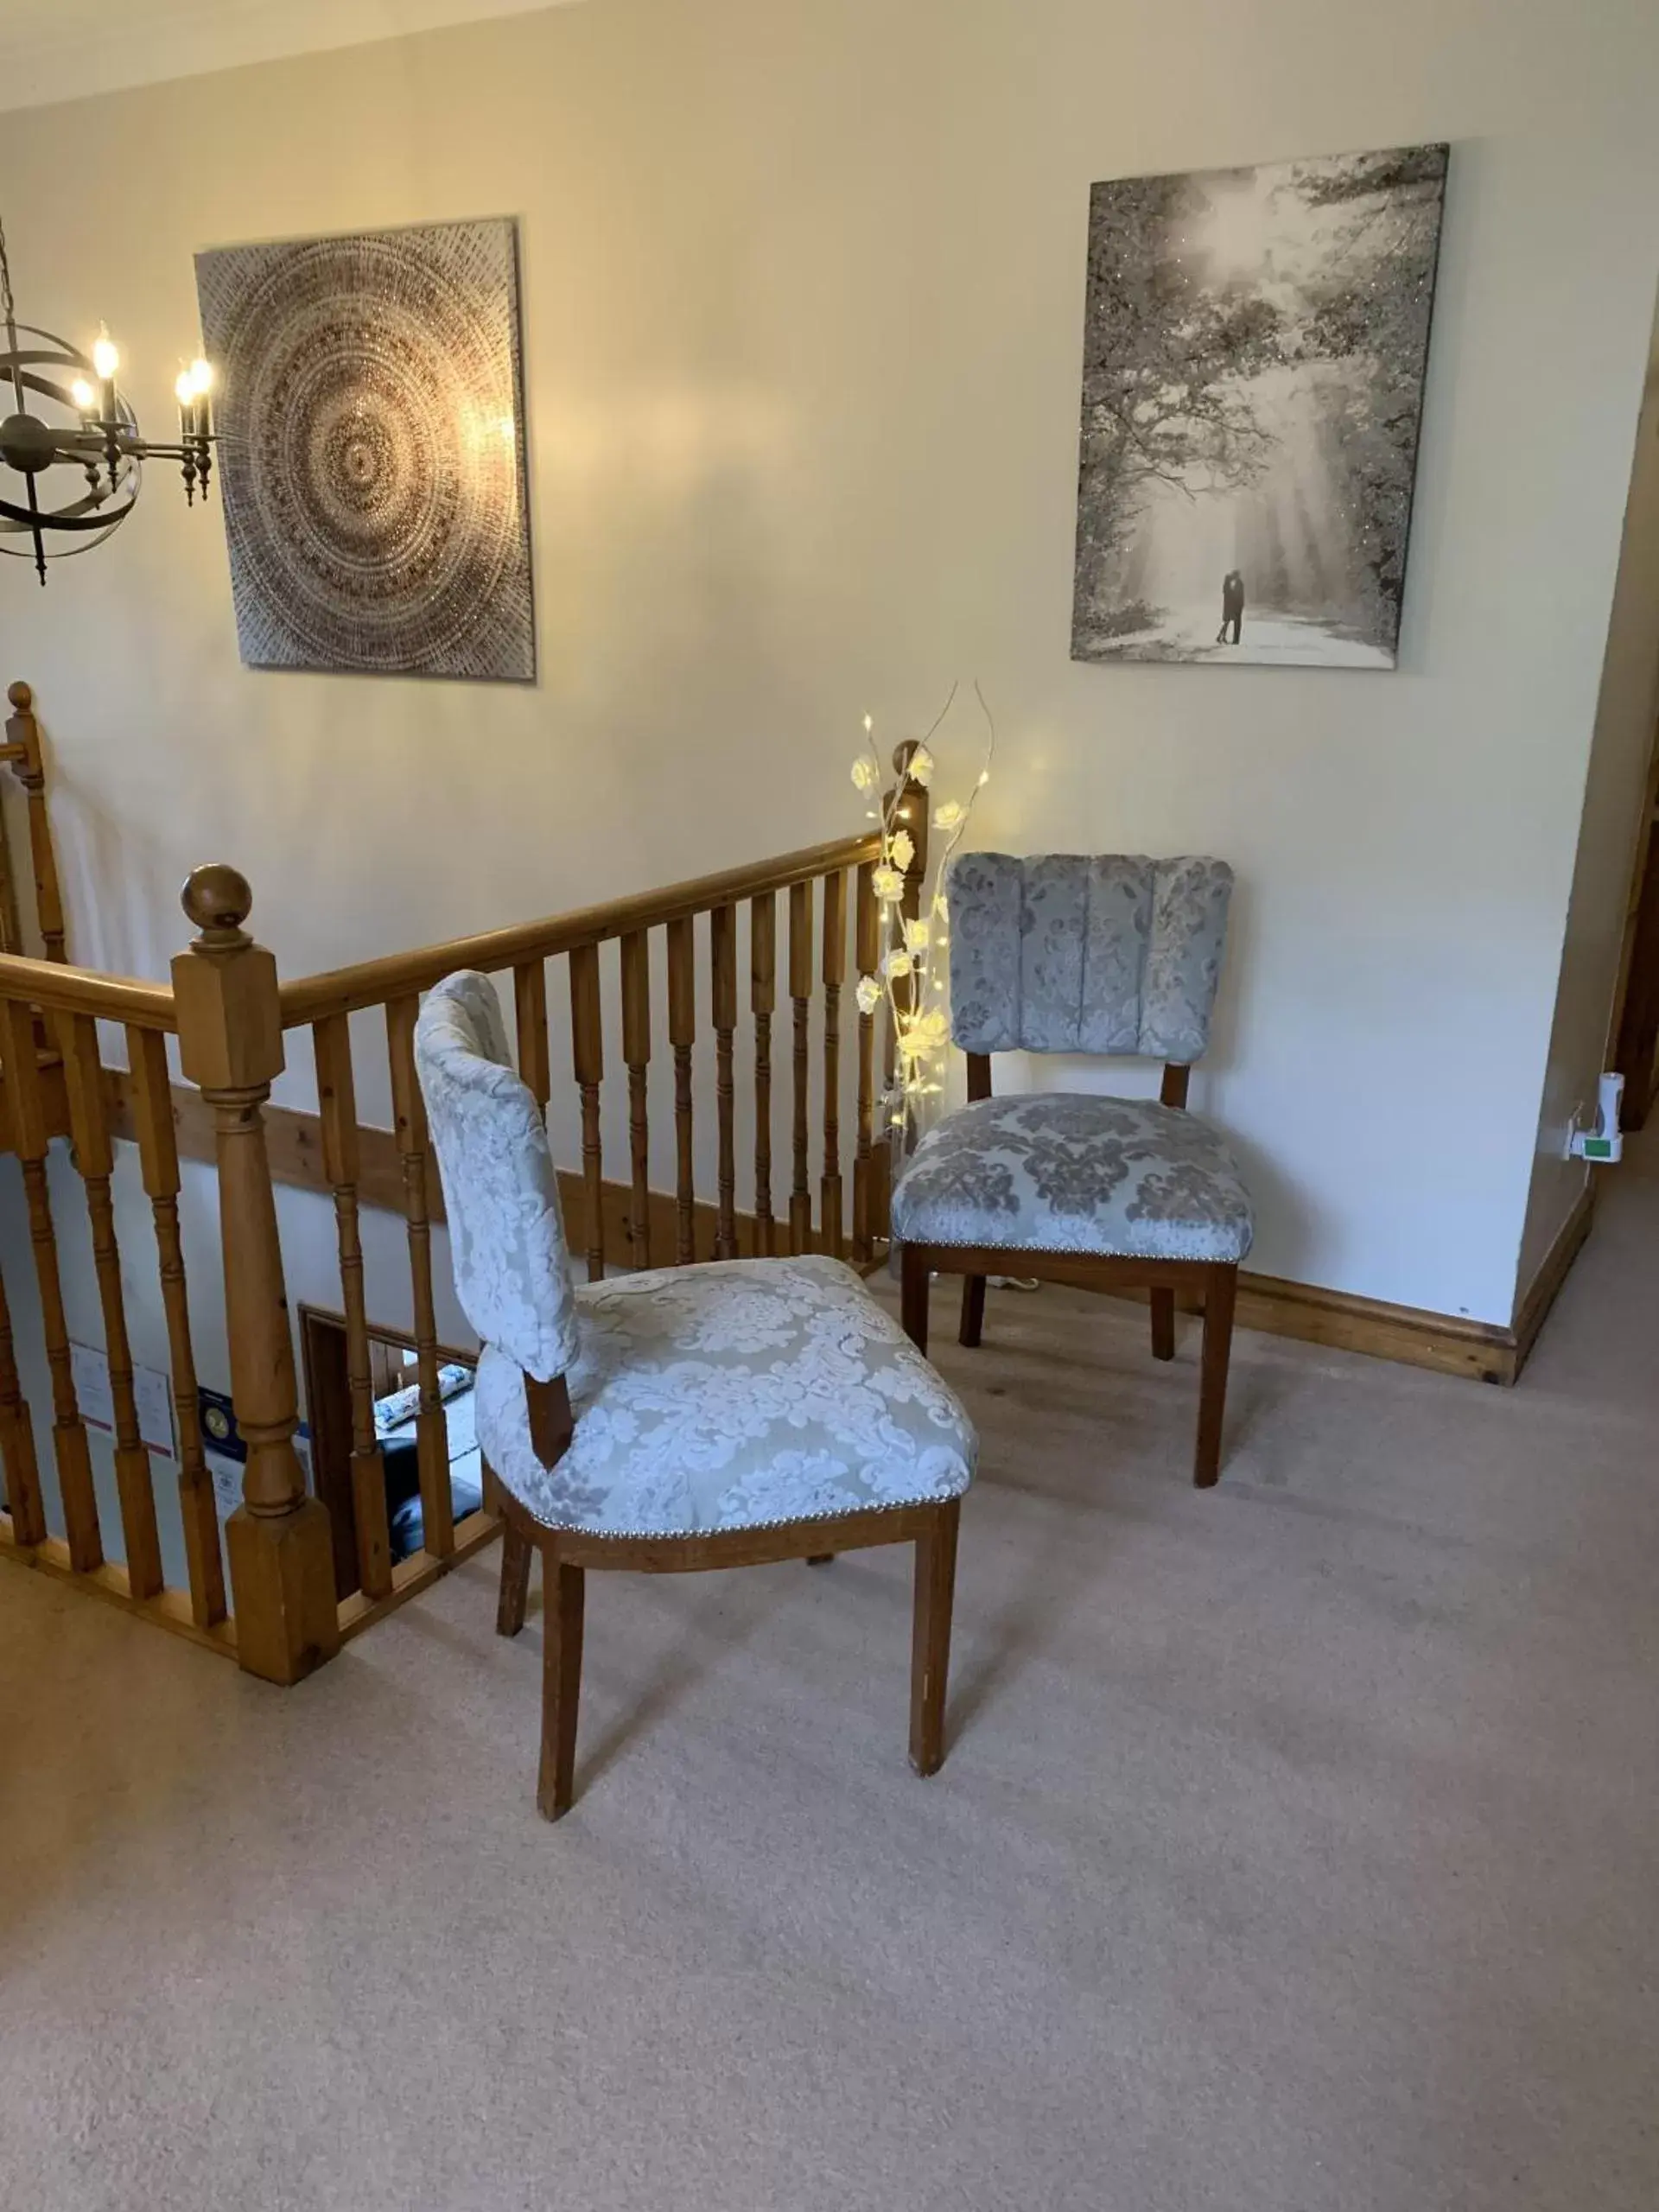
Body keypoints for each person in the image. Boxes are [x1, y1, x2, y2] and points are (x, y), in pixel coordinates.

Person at [1217, 569, 1244, 645]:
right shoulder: (1228, 587)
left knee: (1227, 622)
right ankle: (1220, 637)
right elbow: (1232, 595)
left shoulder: (1228, 586)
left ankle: (1221, 636)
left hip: (1229, 606)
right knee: (1227, 621)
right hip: (1229, 606)